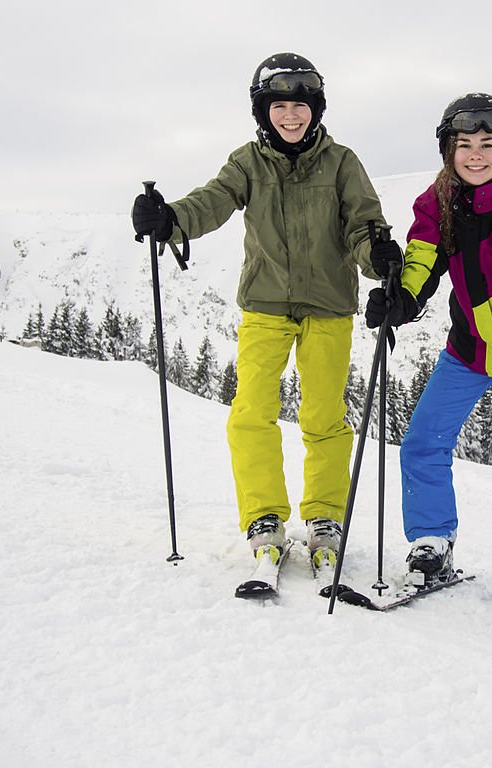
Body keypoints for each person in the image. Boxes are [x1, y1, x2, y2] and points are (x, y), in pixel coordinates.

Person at [132, 52, 398, 573]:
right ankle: (264, 517)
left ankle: (325, 517)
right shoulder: (247, 163)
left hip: (328, 307)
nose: (291, 116)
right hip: (265, 305)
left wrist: (378, 256)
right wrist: (169, 220)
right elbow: (212, 201)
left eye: (300, 105)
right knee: (251, 412)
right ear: (263, 111)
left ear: (315, 109)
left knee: (324, 417)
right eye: (280, 106)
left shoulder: (342, 162)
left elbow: (363, 224)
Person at [365, 93, 492, 593]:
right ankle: (433, 540)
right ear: (448, 151)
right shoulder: (434, 203)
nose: (476, 154)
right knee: (422, 443)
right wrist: (402, 298)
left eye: (487, 143)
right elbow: (421, 258)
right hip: (472, 346)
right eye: (464, 145)